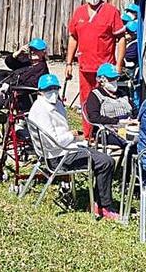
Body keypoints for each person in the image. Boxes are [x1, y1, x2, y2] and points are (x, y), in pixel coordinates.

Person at [27, 74, 120, 220]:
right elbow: (53, 141)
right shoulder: (41, 110)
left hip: (63, 149)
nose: (53, 92)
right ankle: (103, 206)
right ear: (40, 91)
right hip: (59, 156)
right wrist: (73, 135)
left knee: (102, 157)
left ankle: (100, 202)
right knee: (106, 162)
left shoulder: (54, 104)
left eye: (55, 88)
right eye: (48, 89)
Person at [64, 0, 125, 138]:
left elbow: (120, 38)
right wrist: (69, 63)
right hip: (85, 67)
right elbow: (73, 37)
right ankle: (88, 136)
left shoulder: (111, 11)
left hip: (106, 69)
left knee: (107, 102)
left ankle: (108, 136)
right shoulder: (79, 13)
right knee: (86, 102)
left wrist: (118, 64)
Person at [84, 63, 132, 147]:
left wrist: (134, 120)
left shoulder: (122, 93)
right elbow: (94, 117)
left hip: (128, 127)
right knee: (133, 142)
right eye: (111, 79)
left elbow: (134, 109)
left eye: (116, 78)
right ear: (101, 80)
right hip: (109, 130)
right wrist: (117, 121)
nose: (114, 81)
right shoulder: (95, 95)